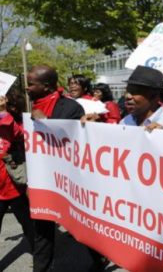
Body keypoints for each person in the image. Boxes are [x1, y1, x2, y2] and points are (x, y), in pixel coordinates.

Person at [26, 66, 107, 272]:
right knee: (42, 229)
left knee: (78, 225)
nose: (27, 87)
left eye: (31, 84)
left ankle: (99, 257)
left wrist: (45, 122)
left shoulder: (70, 107)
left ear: (45, 87)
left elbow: (72, 143)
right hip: (44, 180)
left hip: (68, 181)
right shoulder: (32, 105)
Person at [0, 90, 34, 255]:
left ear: (11, 107)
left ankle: (42, 255)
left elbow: (18, 134)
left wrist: (2, 114)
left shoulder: (18, 123)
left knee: (28, 224)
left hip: (14, 184)